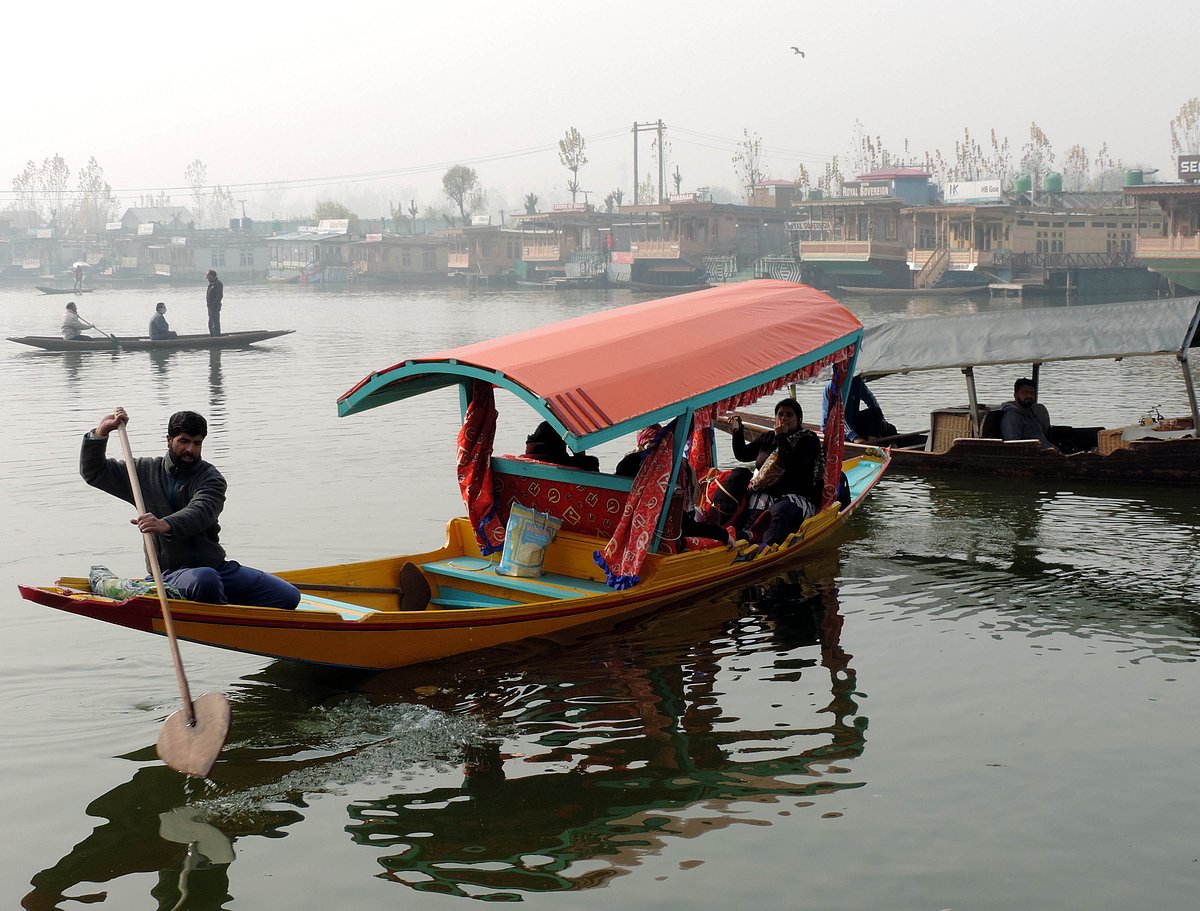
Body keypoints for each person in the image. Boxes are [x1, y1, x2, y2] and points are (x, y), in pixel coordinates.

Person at [80, 407, 302, 609]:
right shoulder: (142, 472)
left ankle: (220, 602)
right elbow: (94, 473)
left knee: (289, 596)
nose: (190, 449)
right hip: (169, 575)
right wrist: (101, 433)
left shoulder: (211, 478)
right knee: (206, 581)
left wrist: (166, 524)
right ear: (169, 440)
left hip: (217, 567)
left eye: (197, 443)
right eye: (184, 441)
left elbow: (201, 511)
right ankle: (212, 607)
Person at [615, 425, 731, 545]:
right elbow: (687, 521)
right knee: (713, 513)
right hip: (668, 533)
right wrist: (723, 534)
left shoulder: (626, 466)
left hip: (626, 530)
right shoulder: (669, 474)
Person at [730, 398, 824, 546]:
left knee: (779, 511)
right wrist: (737, 432)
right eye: (780, 414)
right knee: (751, 503)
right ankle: (743, 541)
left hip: (797, 496)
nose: (784, 418)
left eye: (789, 415)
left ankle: (766, 548)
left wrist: (781, 437)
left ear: (798, 419)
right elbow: (743, 455)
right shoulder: (768, 437)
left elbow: (790, 464)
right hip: (767, 492)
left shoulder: (808, 440)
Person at [821, 374, 895, 442]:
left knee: (890, 428)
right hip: (835, 426)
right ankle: (872, 443)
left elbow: (871, 400)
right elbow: (838, 416)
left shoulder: (857, 381)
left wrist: (881, 420)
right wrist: (853, 436)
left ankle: (880, 442)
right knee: (875, 414)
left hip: (852, 421)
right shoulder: (834, 386)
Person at [999, 378, 1057, 451]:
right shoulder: (1012, 418)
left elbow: (1042, 440)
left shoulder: (1031, 413)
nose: (1029, 396)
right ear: (1016, 395)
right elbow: (1014, 446)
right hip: (1035, 455)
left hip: (1049, 452)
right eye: (1025, 393)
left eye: (1032, 393)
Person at [524, 420, 599, 471]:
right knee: (592, 461)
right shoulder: (564, 428)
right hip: (551, 458)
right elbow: (578, 453)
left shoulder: (546, 424)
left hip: (540, 454)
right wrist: (580, 456)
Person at [205, 269, 223, 336]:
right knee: (210, 323)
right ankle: (212, 336)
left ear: (212, 276)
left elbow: (219, 296)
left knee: (215, 322)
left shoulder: (218, 284)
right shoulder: (211, 284)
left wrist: (214, 304)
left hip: (215, 307)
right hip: (210, 307)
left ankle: (217, 336)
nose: (207, 278)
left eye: (208, 276)